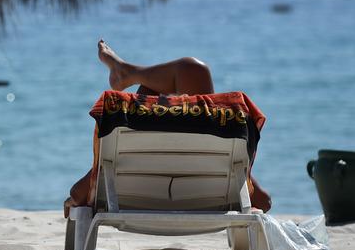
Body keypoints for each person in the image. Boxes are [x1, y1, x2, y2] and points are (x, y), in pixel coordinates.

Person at [64, 40, 272, 217]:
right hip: (205, 202)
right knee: (193, 70)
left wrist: (76, 195)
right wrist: (243, 174)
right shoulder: (219, 157)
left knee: (184, 74)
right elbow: (264, 203)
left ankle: (128, 74)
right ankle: (128, 73)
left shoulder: (121, 156)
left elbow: (78, 194)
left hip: (135, 202)